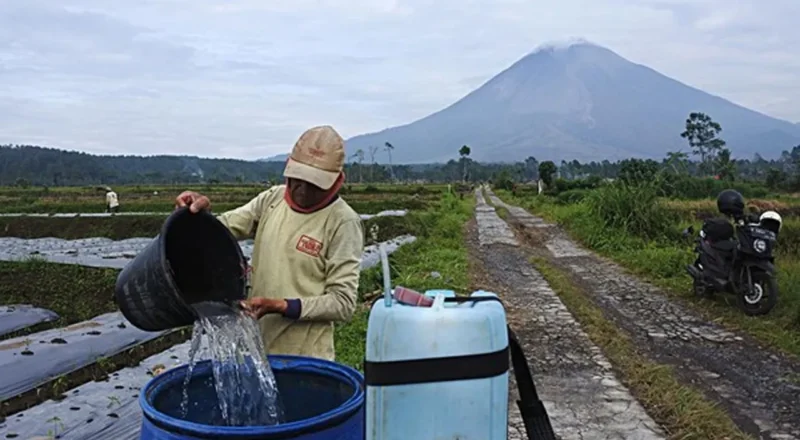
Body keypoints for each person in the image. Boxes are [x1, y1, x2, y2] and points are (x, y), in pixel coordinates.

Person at [175, 125, 364, 361]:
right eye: (297, 180)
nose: (302, 191)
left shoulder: (342, 222)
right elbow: (221, 230)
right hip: (257, 351)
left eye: (315, 185)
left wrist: (281, 306)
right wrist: (197, 214)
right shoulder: (272, 199)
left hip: (305, 359)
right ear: (288, 168)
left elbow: (342, 303)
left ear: (337, 181)